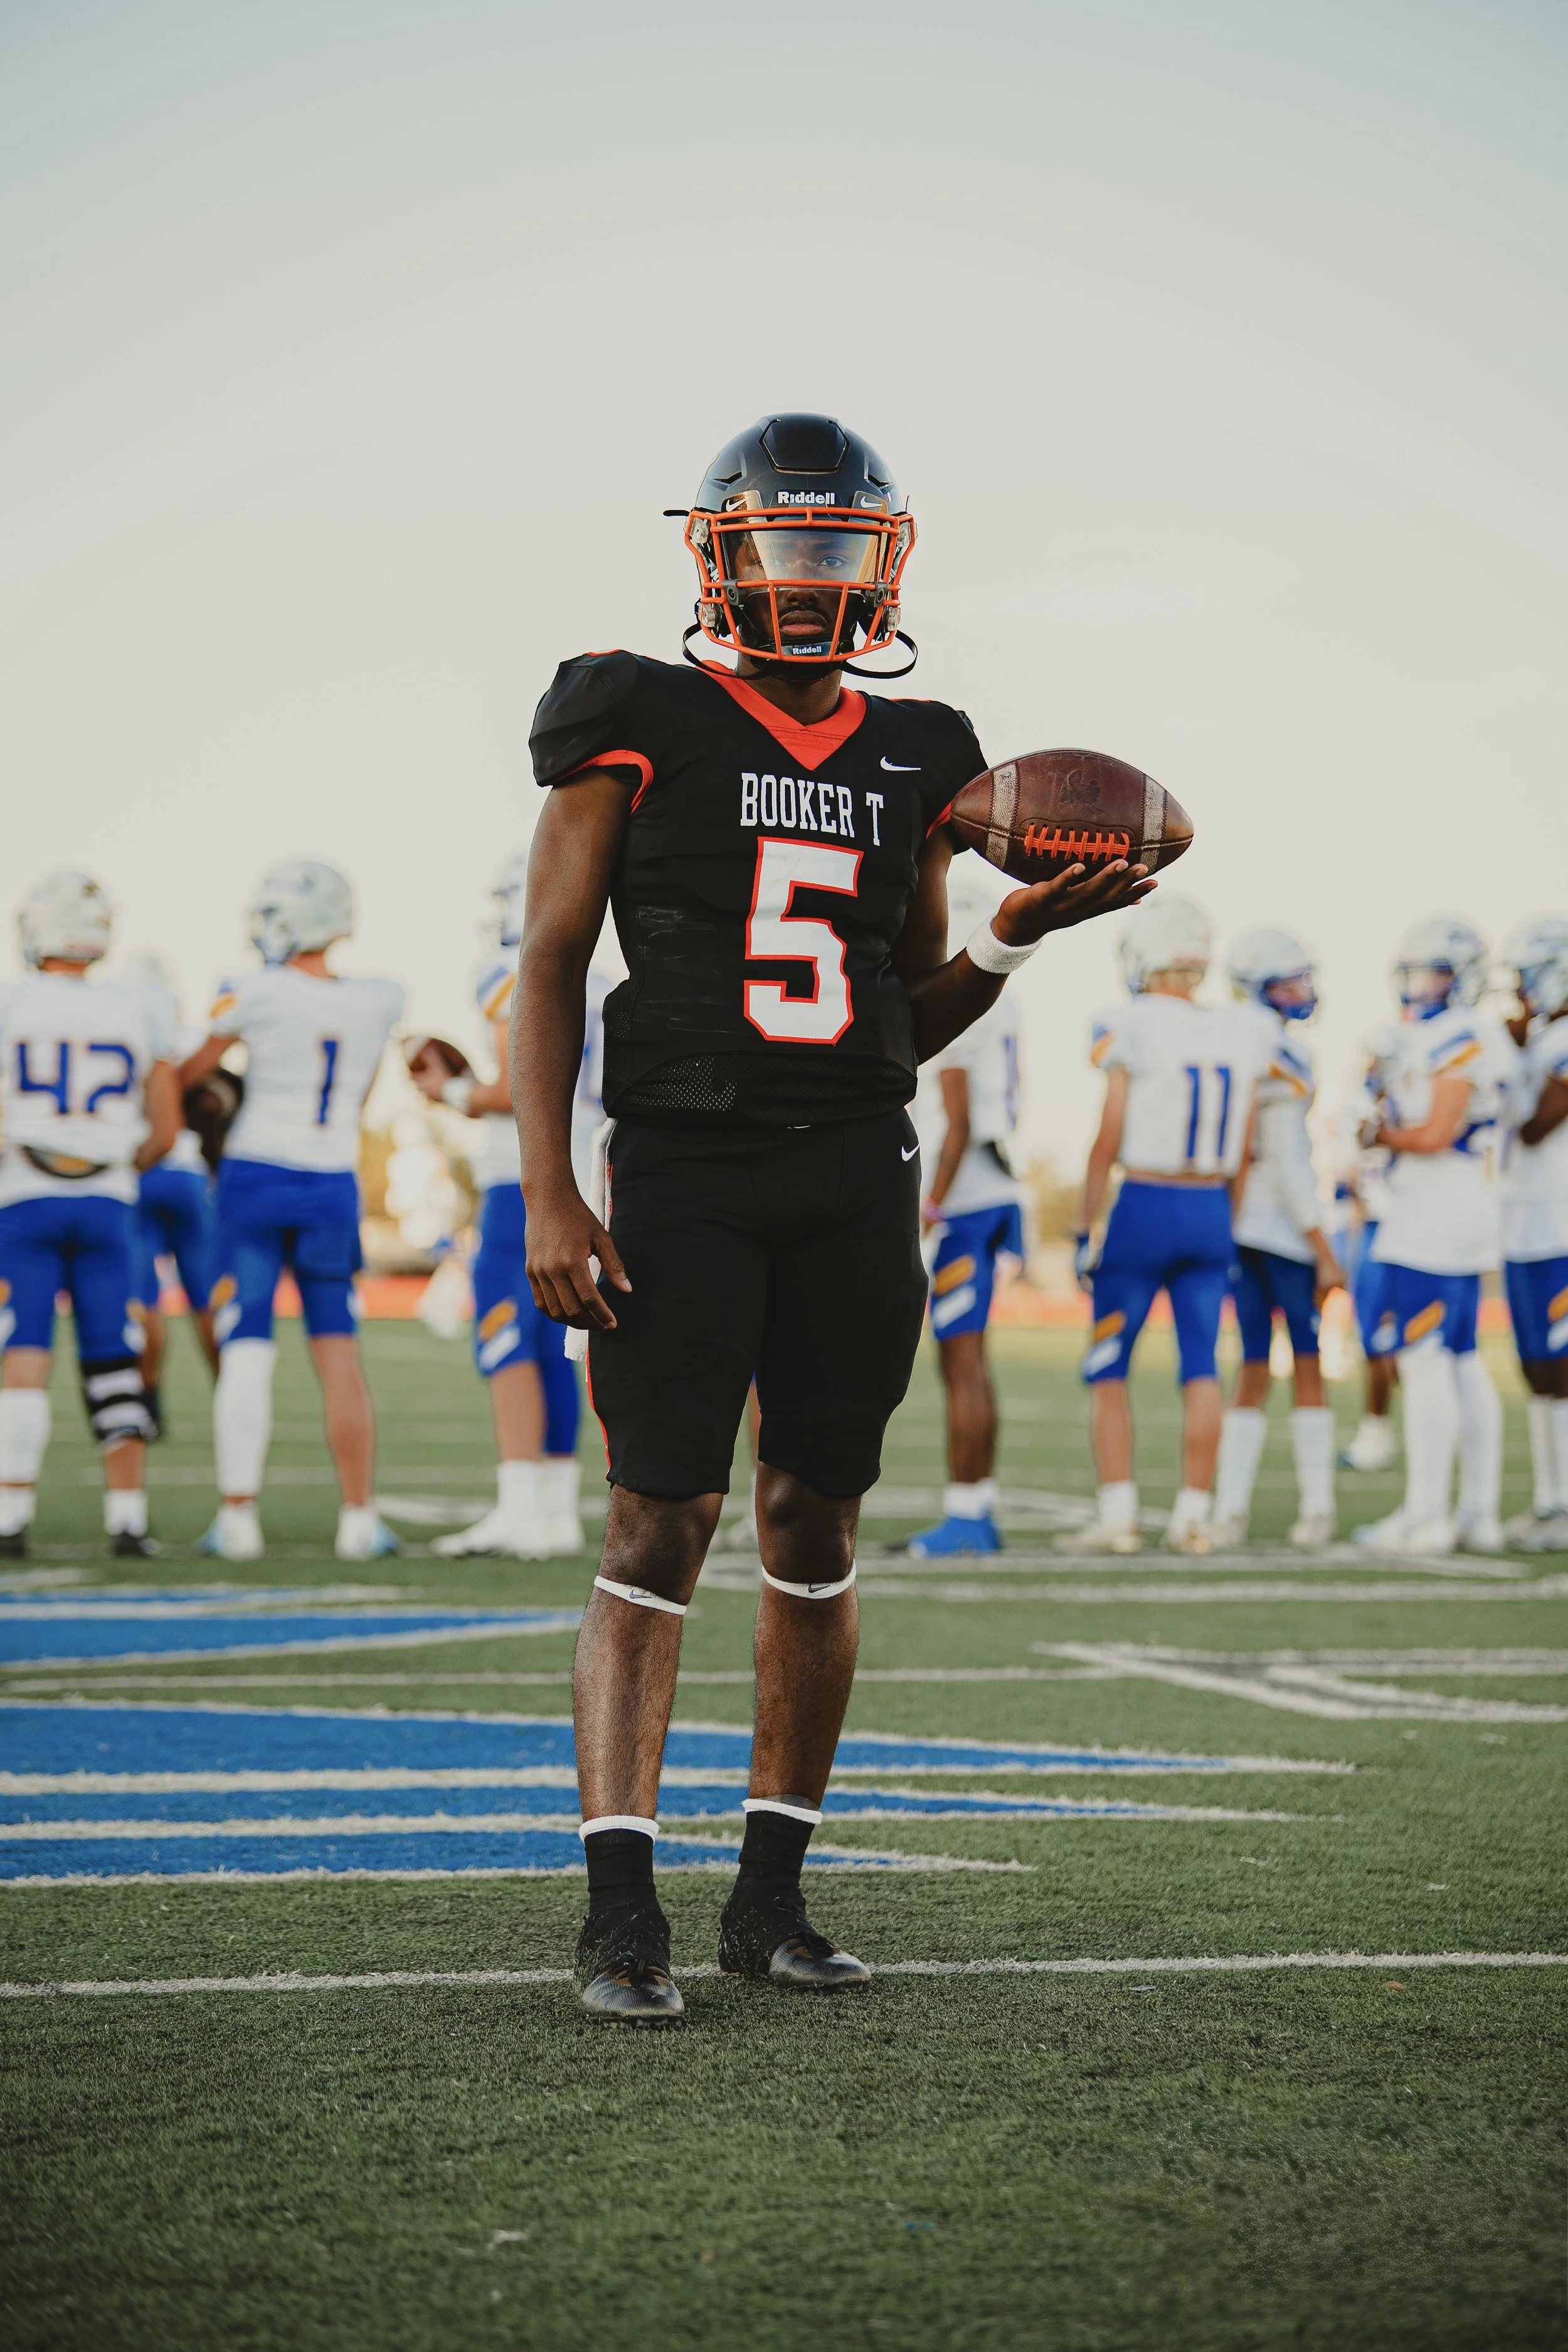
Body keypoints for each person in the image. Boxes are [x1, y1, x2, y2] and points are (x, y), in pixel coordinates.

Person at [511, 412, 1150, 2025]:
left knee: (816, 1523)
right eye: (780, 545)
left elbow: (896, 1014)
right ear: (720, 553)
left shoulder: (929, 749)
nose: (808, 578)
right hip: (688, 1165)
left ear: (883, 558)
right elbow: (547, 963)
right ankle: (619, 1908)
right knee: (661, 1515)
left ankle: (772, 1898)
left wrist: (1007, 943)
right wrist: (549, 1181)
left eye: (835, 548)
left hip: (855, 1166)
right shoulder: (631, 707)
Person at [179, 860, 404, 1562]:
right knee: (337, 1349)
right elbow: (360, 1095)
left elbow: (189, 1074)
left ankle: (239, 1516)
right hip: (331, 1177)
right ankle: (359, 1519)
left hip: (256, 1177)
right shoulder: (377, 998)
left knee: (246, 1345)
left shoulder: (249, 990)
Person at [1057, 894, 1275, 1558]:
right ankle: (1193, 1517)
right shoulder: (1243, 1029)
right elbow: (1242, 1145)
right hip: (1210, 1206)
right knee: (1201, 1365)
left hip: (1146, 1204)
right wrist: (1224, 1219)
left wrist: (1082, 1225)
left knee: (1108, 1364)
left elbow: (1108, 1136)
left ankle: (1119, 1515)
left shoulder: (1128, 1022)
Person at [409, 852, 608, 1558]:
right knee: (562, 1343)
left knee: (503, 1336)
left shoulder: (508, 968)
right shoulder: (608, 968)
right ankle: (556, 1509)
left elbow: (520, 1083)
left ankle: (519, 1507)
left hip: (522, 1180)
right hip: (592, 1172)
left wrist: (452, 1093)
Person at [0, 872, 179, 1558]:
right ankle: (127, 1520)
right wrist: (105, 1168)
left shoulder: (14, 1001)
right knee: (115, 1358)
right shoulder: (139, 1006)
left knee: (26, 1357)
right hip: (107, 1201)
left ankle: (12, 1515)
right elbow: (163, 1130)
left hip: (24, 1199)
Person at [1351, 917, 1516, 1555]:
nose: (1422, 987)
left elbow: (1434, 1134)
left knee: (1422, 1362)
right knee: (1461, 1360)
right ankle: (1476, 1514)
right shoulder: (1452, 1034)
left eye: (1436, 972)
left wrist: (1379, 1136)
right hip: (1455, 1205)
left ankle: (1427, 1517)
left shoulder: (1462, 1034)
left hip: (1437, 1207)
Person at [903, 865, 1026, 1557]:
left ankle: (970, 1512)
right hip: (990, 1190)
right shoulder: (1006, 1001)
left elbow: (952, 1120)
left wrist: (927, 1207)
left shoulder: (966, 996)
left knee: (963, 1360)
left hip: (960, 1201)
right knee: (965, 1359)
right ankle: (972, 1507)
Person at [1211, 926, 1344, 1550]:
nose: (1303, 990)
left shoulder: (1231, 1032)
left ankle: (1229, 1511)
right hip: (1283, 1229)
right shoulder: (1276, 1046)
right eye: (1289, 979)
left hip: (1239, 1224)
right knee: (1308, 1365)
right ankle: (1317, 1508)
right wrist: (1323, 1246)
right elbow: (1286, 1160)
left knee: (1253, 1366)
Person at [119, 953, 221, 1433]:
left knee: (143, 1299)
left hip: (138, 1168)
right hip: (185, 1171)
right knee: (207, 1297)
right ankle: (231, 1401)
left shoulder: (121, 1034)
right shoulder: (190, 1039)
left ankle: (147, 1397)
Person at [1498, 917, 1568, 1550]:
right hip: (1525, 1221)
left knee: (1562, 1366)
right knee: (1537, 1367)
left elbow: (1536, 1125)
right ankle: (1551, 1501)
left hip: (1558, 1223)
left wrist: (1516, 1056)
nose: (1518, 992)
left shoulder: (1561, 1039)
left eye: (1525, 978)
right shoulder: (1542, 1040)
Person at [1336, 1023, 1402, 1473]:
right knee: (1376, 1341)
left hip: (1402, 1230)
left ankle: (1380, 1434)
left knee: (1396, 1343)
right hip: (1376, 1229)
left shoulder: (1412, 1106)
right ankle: (1379, 1432)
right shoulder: (1368, 1106)